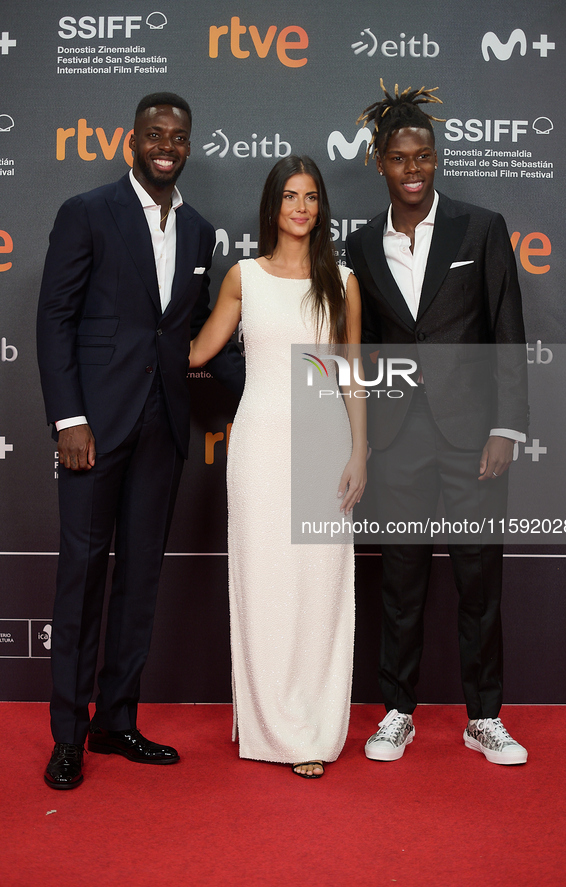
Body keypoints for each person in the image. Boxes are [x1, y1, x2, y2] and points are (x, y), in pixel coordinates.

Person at [37, 92, 244, 789]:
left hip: (161, 428)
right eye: (154, 134)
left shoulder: (200, 232)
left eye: (177, 137)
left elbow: (187, 335)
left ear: (189, 146)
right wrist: (69, 420)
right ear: (132, 140)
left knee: (140, 581)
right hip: (92, 431)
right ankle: (69, 733)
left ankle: (116, 719)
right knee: (83, 575)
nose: (165, 145)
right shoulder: (87, 212)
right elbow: (54, 320)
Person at [346, 82, 529, 765]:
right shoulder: (361, 243)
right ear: (380, 163)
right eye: (400, 157)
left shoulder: (480, 227)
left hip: (472, 435)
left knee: (478, 578)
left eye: (424, 155)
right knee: (401, 579)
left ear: (435, 158)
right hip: (398, 440)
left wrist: (506, 427)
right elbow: (358, 347)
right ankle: (397, 710)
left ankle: (484, 717)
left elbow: (506, 330)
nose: (414, 167)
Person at [190, 156, 366, 778]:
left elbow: (350, 375)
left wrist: (358, 451)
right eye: (290, 196)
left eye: (311, 196)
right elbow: (199, 351)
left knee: (319, 589)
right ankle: (272, 728)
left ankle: (313, 725)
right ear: (272, 206)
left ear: (321, 207)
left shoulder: (342, 282)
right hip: (259, 446)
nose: (301, 207)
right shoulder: (243, 277)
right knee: (264, 587)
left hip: (324, 448)